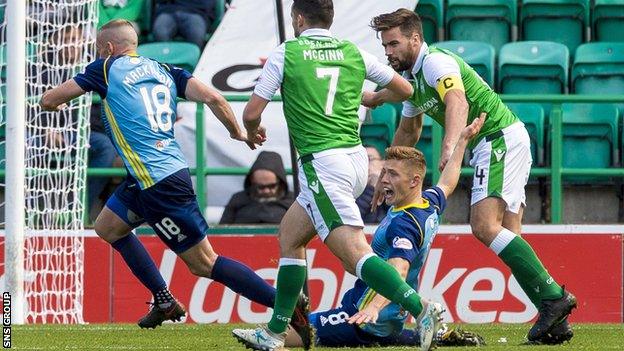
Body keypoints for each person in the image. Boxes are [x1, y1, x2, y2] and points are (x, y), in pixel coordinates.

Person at [39, 20, 312, 347]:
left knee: (204, 263)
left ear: (109, 48)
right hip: (150, 176)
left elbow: (50, 100)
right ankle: (163, 298)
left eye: (99, 49)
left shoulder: (105, 67)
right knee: (108, 227)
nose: (98, 54)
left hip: (158, 184)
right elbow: (214, 98)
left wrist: (56, 99)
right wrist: (238, 132)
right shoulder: (165, 69)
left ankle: (285, 302)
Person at [231, 2, 444, 351]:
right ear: (330, 19)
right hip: (355, 159)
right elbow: (406, 91)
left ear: (298, 19)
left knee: (354, 255)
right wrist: (373, 98)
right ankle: (274, 332)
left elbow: (252, 111)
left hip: (323, 164)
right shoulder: (352, 51)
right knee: (290, 236)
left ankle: (421, 309)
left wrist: (253, 131)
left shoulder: (287, 52)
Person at [364, 9, 576, 345]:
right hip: (504, 139)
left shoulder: (435, 63)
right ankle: (553, 316)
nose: (388, 52)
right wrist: (385, 178)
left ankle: (554, 298)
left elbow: (457, 102)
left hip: (496, 138)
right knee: (508, 235)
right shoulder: (413, 81)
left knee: (483, 225)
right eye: (385, 45)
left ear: (415, 39)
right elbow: (409, 130)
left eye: (393, 43)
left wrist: (449, 146)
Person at [284, 115, 487, 349]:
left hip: (363, 316)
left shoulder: (404, 225)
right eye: (385, 172)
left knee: (291, 333)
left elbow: (397, 271)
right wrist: (462, 140)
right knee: (380, 335)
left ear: (414, 181)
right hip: (392, 317)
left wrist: (373, 308)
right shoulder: (428, 203)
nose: (384, 180)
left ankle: (270, 334)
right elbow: (447, 183)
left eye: (393, 174)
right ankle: (429, 335)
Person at [220, 151, 294, 224]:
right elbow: (222, 230)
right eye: (260, 187)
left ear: (280, 182)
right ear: (252, 181)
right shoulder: (238, 199)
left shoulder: (293, 202)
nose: (266, 191)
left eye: (272, 186)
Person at [152, 0, 217, 48]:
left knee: (196, 33)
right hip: (168, 11)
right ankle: (165, 64)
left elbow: (207, 4)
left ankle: (192, 64)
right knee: (160, 31)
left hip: (196, 12)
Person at [355, 145, 389, 223]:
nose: (364, 166)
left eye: (369, 159)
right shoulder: (350, 191)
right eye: (360, 162)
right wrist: (371, 188)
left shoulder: (393, 187)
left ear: (383, 164)